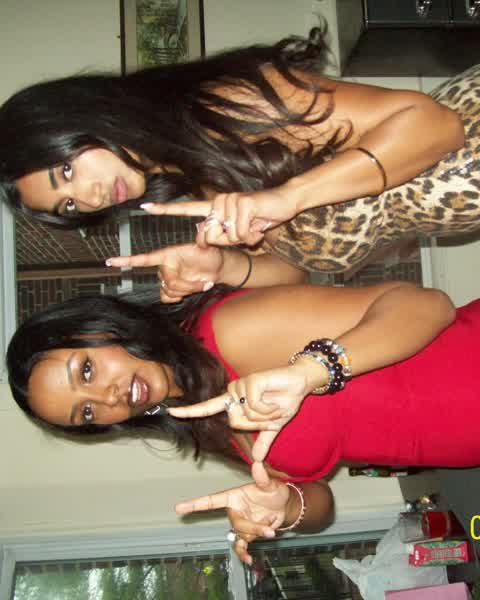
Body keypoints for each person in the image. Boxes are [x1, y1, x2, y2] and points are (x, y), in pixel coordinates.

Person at [7, 279, 467, 564]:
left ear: (101, 328)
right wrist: (285, 509)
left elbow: (427, 305)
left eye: (86, 371)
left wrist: (311, 372)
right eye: (86, 413)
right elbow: (318, 501)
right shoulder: (204, 420)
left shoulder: (229, 330)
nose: (105, 397)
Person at [1, 28, 475, 278]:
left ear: (78, 115)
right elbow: (299, 269)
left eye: (66, 171)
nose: (89, 198)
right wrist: (223, 267)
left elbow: (437, 125)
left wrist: (290, 196)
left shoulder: (225, 105)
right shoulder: (196, 178)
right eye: (68, 205)